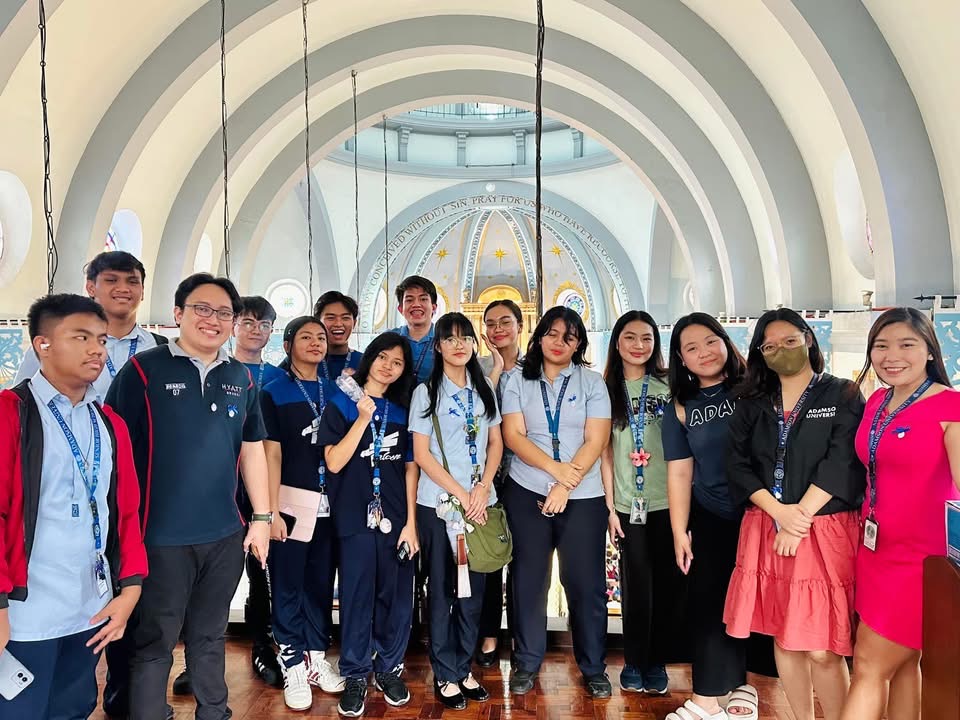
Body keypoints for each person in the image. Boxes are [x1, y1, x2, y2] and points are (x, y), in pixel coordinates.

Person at [105, 273, 272, 720]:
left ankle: (214, 713)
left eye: (224, 312)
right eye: (202, 308)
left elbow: (252, 447)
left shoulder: (241, 377)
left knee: (210, 636)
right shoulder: (143, 371)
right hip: (159, 537)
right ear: (178, 313)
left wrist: (261, 518)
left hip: (224, 536)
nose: (212, 319)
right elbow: (115, 450)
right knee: (154, 641)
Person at [0, 294, 147, 720]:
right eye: (81, 337)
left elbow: (126, 514)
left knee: (74, 709)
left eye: (101, 339)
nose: (96, 349)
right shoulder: (11, 414)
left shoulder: (109, 423)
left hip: (89, 608)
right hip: (25, 614)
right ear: (42, 344)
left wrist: (130, 590)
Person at [724, 308, 865, 720]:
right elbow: (737, 465)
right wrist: (779, 514)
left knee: (823, 647)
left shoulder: (842, 394)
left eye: (790, 341)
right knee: (784, 636)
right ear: (760, 354)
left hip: (823, 528)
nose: (782, 350)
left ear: (809, 339)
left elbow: (842, 462)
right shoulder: (752, 401)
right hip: (767, 524)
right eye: (770, 346)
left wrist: (797, 519)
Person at [840, 308, 960, 720]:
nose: (892, 356)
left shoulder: (952, 407)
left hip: (922, 561)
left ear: (930, 350)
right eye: (881, 346)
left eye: (907, 344)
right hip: (875, 551)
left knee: (869, 667)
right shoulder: (877, 401)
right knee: (905, 667)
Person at [172, 295, 284, 697]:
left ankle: (263, 648)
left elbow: (272, 445)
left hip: (259, 489)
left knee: (261, 572)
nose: (255, 330)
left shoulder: (277, 378)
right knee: (201, 578)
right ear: (234, 326)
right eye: (248, 321)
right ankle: (195, 662)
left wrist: (268, 507)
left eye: (264, 324)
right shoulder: (212, 371)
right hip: (213, 489)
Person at [500, 306, 613, 698]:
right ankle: (526, 662)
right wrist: (554, 472)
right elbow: (514, 435)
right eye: (551, 333)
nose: (559, 342)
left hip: (582, 495)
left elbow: (596, 439)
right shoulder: (517, 380)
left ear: (579, 343)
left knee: (585, 584)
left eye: (569, 336)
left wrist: (566, 484)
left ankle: (593, 667)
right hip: (527, 489)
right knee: (528, 581)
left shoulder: (592, 382)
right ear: (539, 336)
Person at [316, 332, 420, 717]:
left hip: (396, 519)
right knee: (357, 596)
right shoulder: (342, 403)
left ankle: (389, 668)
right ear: (370, 358)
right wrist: (362, 418)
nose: (388, 366)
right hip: (354, 517)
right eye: (383, 357)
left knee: (395, 596)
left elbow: (410, 468)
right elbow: (334, 462)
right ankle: (356, 673)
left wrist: (411, 523)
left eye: (398, 362)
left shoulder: (403, 410)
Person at [662, 313, 759, 720]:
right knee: (709, 604)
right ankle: (706, 698)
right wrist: (679, 531)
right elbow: (679, 472)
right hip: (712, 514)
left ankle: (744, 685)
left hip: (762, 514)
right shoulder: (681, 406)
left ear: (725, 341)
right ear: (681, 359)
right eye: (691, 347)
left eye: (710, 341)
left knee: (754, 600)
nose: (703, 352)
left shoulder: (755, 388)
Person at [410, 312, 503, 709]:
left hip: (481, 505)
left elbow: (496, 443)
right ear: (438, 347)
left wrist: (482, 489)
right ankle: (444, 672)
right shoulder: (425, 393)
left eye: (465, 337)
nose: (459, 344)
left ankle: (464, 668)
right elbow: (421, 454)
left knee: (473, 593)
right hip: (438, 505)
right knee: (442, 591)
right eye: (449, 338)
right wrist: (462, 494)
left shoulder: (484, 389)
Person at [260, 316, 345, 710]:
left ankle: (315, 657)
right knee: (288, 583)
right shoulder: (273, 391)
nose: (315, 343)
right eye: (306, 337)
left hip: (331, 504)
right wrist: (271, 511)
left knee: (320, 583)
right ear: (288, 344)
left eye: (321, 338)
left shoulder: (337, 389)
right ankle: (291, 661)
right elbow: (271, 454)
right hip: (291, 504)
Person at [600, 310, 686, 696]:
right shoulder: (606, 389)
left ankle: (658, 662)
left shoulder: (670, 384)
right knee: (636, 586)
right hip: (627, 504)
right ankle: (634, 661)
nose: (639, 345)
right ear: (617, 342)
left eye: (647, 338)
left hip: (670, 501)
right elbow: (604, 453)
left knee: (668, 584)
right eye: (630, 337)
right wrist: (609, 508)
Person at [14, 251, 168, 404]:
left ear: (142, 291)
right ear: (91, 287)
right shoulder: (54, 346)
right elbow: (20, 403)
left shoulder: (161, 348)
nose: (123, 288)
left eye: (132, 282)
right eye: (111, 280)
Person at [475, 299, 524, 667]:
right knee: (488, 556)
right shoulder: (476, 368)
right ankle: (489, 633)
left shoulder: (534, 367)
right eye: (490, 324)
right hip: (484, 477)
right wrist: (493, 367)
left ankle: (523, 636)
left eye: (505, 321)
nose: (498, 330)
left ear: (520, 325)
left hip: (524, 474)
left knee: (524, 560)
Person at [390, 275, 438, 384]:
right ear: (401, 309)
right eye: (409, 300)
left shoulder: (444, 339)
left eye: (423, 299)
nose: (416, 305)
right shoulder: (388, 338)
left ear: (434, 308)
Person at [314, 291, 362, 379]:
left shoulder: (365, 362)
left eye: (345, 318)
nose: (338, 324)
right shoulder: (306, 360)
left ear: (354, 323)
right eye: (331, 318)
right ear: (318, 323)